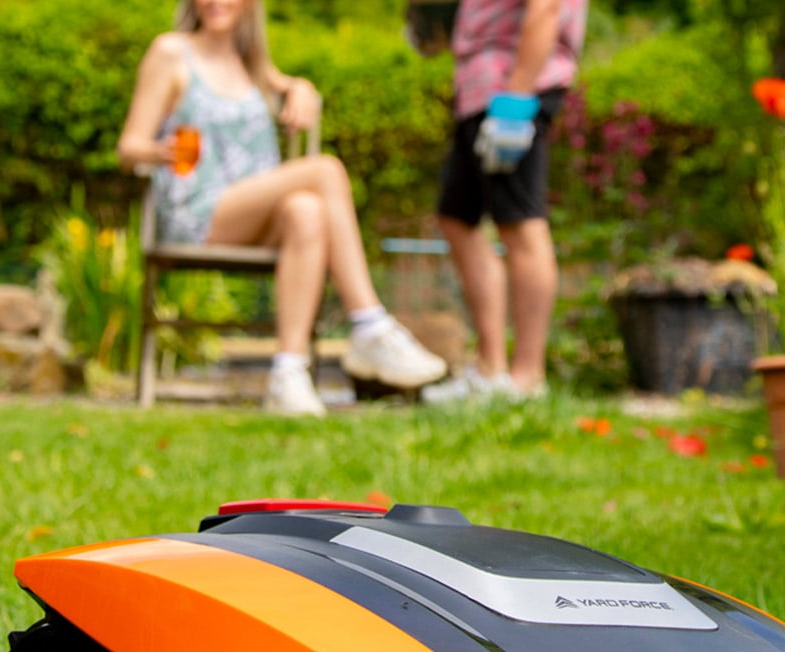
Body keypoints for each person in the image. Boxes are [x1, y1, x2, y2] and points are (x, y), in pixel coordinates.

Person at [117, 0, 447, 416]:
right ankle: (369, 324)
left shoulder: (252, 65)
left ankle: (288, 374)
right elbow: (128, 147)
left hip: (255, 216)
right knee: (325, 170)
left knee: (306, 211)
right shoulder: (171, 52)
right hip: (197, 212)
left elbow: (287, 83)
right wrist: (160, 151)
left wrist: (300, 88)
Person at [422, 0, 588, 405]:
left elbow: (546, 7)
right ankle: (490, 371)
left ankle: (527, 378)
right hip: (479, 90)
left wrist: (515, 103)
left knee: (520, 222)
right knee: (456, 216)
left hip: (513, 88)